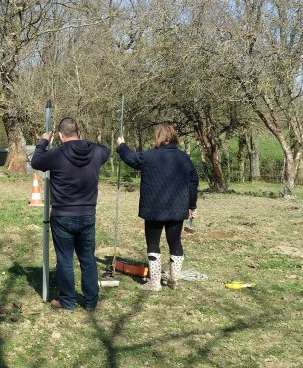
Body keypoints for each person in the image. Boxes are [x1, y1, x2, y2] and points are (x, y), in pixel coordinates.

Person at [31, 117, 110, 312]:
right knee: (87, 258)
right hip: (87, 214)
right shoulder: (95, 152)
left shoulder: (56, 154)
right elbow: (106, 149)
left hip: (62, 215)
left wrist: (43, 141)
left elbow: (36, 161)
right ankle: (91, 301)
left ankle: (67, 301)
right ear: (79, 133)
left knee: (65, 260)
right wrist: (84, 142)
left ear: (60, 135)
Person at [116, 124, 199, 291]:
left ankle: (154, 283)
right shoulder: (183, 158)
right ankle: (174, 279)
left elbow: (130, 158)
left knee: (153, 243)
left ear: (158, 138)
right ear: (173, 137)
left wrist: (121, 145)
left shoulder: (149, 156)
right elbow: (193, 182)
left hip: (153, 209)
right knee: (175, 242)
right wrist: (192, 205)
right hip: (177, 208)